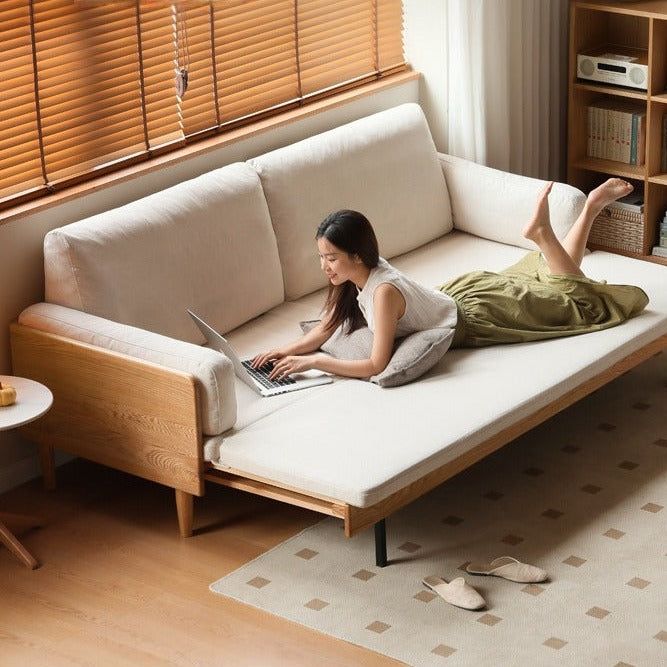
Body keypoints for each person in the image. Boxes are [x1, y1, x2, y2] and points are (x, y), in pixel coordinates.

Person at [252, 178, 649, 381]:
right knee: (554, 280)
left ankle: (546, 233)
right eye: (322, 257)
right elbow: (323, 328)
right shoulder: (360, 276)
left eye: (331, 258)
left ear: (356, 255)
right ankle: (590, 209)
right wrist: (283, 352)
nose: (325, 267)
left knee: (583, 306)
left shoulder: (382, 293)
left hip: (480, 314)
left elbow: (376, 364)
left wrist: (318, 363)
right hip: (464, 292)